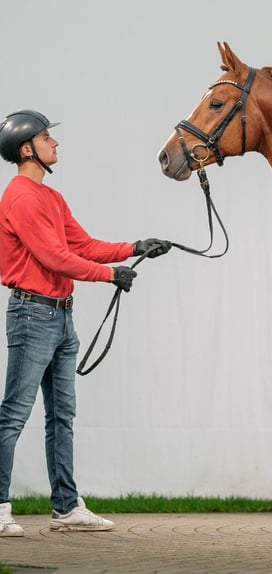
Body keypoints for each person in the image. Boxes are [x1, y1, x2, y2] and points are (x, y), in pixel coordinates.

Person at [0, 110, 171, 536]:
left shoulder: (52, 199)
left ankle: (65, 508)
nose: (54, 144)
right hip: (32, 315)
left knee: (62, 416)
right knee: (14, 415)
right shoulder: (20, 197)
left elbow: (83, 245)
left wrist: (134, 246)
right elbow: (54, 258)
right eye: (45, 138)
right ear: (26, 149)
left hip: (60, 317)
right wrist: (113, 275)